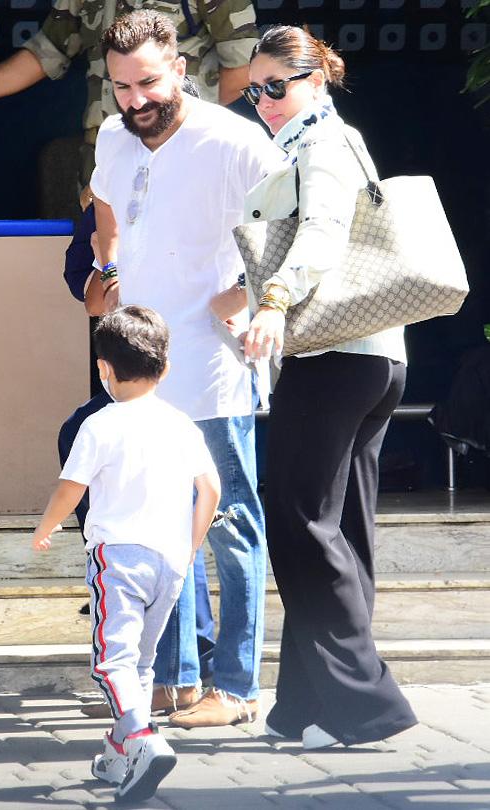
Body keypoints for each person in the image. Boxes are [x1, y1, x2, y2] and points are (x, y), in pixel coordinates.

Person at [65, 9, 283, 727]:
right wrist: (107, 266)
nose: (137, 100)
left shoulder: (232, 138)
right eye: (123, 86)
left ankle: (237, 687)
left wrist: (253, 295)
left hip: (216, 366)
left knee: (229, 522)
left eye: (149, 82)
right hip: (143, 374)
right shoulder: (114, 137)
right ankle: (177, 677)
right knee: (161, 523)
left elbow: (295, 218)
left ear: (181, 70)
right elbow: (105, 206)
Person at [235, 25, 418, 748]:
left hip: (334, 357)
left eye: (276, 86)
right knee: (336, 529)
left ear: (316, 81)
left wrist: (275, 299)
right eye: (254, 89)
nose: (264, 100)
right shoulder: (324, 139)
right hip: (370, 359)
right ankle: (308, 705)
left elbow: (322, 232)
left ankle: (367, 704)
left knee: (301, 523)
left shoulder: (321, 143)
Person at [32, 305, 221, 802]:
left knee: (111, 663)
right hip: (170, 563)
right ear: (166, 368)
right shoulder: (182, 424)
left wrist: (45, 528)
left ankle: (141, 738)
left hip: (119, 559)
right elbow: (211, 490)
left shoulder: (100, 424)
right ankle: (118, 753)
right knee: (140, 665)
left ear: (104, 368)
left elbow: (71, 488)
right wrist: (191, 545)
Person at [0, 0, 259, 205]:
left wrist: (171, 119)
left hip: (182, 155)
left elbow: (245, 68)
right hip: (103, 158)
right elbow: (47, 50)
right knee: (102, 262)